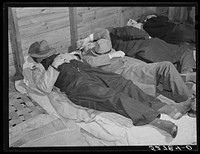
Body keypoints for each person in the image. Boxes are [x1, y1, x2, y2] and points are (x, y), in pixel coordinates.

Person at [25, 40, 192, 138]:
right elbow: (44, 88)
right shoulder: (37, 69)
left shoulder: (61, 55)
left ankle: (168, 107)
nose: (47, 56)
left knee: (124, 83)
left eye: (48, 54)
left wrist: (73, 55)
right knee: (113, 97)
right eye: (44, 55)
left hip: (90, 71)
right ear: (38, 58)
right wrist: (54, 65)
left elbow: (85, 57)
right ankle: (157, 121)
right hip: (76, 85)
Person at [77, 28, 196, 117]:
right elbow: (93, 62)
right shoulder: (89, 58)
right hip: (128, 72)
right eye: (89, 45)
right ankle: (187, 100)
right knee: (166, 67)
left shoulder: (103, 45)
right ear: (89, 50)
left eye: (93, 43)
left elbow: (104, 32)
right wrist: (112, 55)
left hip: (132, 62)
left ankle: (185, 96)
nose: (91, 44)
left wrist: (87, 39)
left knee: (163, 78)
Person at [105, 25, 196, 74]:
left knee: (183, 54)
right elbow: (131, 31)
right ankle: (187, 73)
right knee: (184, 54)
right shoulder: (120, 41)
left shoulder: (119, 45)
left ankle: (187, 73)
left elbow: (131, 31)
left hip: (153, 52)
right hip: (155, 51)